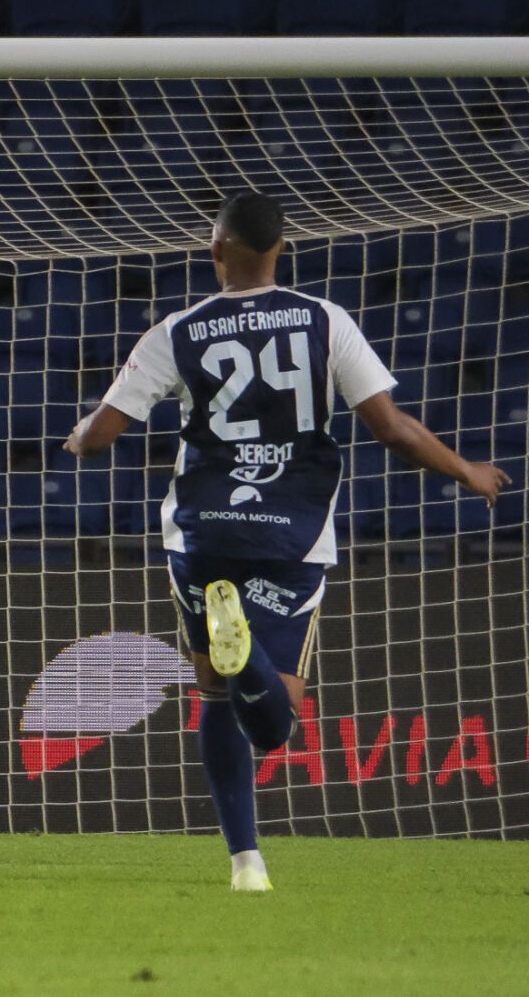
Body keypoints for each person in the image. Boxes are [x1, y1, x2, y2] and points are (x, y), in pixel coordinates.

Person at [64, 191, 509, 892]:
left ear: (217, 251)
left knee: (211, 695)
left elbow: (104, 433)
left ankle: (246, 861)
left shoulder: (177, 330)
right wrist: (467, 470)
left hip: (203, 534)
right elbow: (392, 430)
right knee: (272, 726)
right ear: (281, 250)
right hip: (293, 533)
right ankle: (245, 670)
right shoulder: (324, 320)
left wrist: (81, 436)